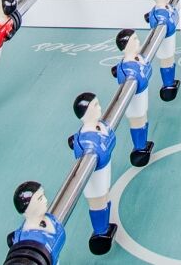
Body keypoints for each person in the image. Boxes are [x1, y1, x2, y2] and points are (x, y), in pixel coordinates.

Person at [69, 91, 118, 252]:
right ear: (85, 113)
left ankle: (104, 227)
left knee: (104, 195)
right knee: (98, 199)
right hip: (95, 174)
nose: (100, 108)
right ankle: (100, 231)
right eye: (95, 106)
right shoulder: (85, 139)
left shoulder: (100, 127)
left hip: (103, 167)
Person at [113, 28, 156, 166]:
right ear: (126, 46)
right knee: (137, 119)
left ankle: (142, 144)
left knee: (142, 117)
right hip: (134, 99)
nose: (138, 41)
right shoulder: (126, 68)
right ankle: (139, 148)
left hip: (141, 94)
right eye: (134, 39)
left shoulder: (138, 59)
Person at [6, 181, 65, 261]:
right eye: (40, 199)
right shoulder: (27, 239)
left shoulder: (49, 217)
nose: (45, 200)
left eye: (43, 195)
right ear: (27, 208)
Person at [145, 0, 181, 101]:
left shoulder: (167, 7)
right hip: (164, 40)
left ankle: (170, 82)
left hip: (170, 37)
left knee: (170, 58)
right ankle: (168, 85)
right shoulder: (159, 15)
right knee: (166, 59)